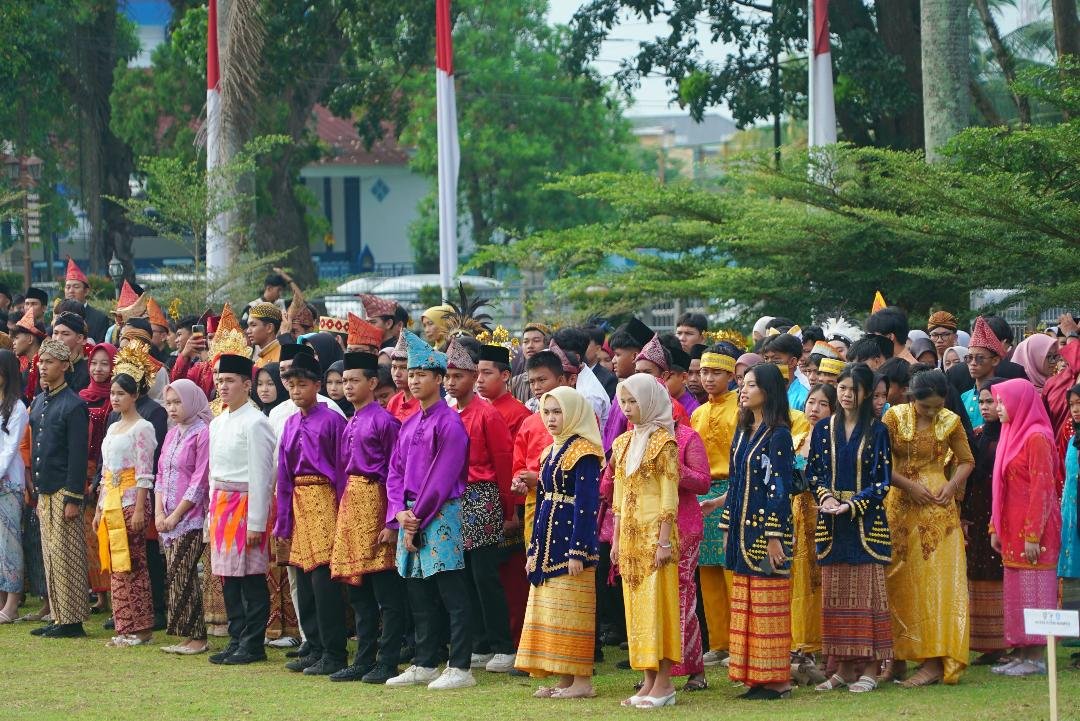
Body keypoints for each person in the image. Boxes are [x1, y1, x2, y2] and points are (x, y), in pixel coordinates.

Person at [384, 333, 475, 690]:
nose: (415, 378)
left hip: (440, 514)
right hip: (410, 515)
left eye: (423, 373)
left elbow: (442, 477)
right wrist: (398, 512)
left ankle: (461, 666)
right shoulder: (408, 424)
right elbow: (394, 472)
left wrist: (413, 517)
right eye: (411, 372)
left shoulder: (449, 423)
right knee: (418, 593)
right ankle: (424, 662)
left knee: (451, 592)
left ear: (440, 379)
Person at [881, 369, 974, 686]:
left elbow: (966, 460)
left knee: (935, 583)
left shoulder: (951, 420)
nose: (933, 413)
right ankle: (896, 658)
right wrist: (908, 486)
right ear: (912, 398)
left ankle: (934, 661)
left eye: (937, 407)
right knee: (897, 579)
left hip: (938, 510)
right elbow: (880, 462)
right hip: (900, 506)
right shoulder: (893, 418)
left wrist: (951, 485)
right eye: (926, 408)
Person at [807, 364, 893, 694]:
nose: (845, 394)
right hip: (831, 523)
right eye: (841, 388)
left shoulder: (878, 431)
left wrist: (852, 505)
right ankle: (842, 669)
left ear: (866, 393)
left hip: (865, 524)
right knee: (835, 596)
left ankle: (870, 668)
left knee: (866, 596)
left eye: (853, 389)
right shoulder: (823, 429)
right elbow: (813, 473)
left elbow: (883, 481)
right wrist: (826, 498)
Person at [514, 386, 603, 699]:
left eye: (558, 412)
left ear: (574, 413)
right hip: (548, 544)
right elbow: (541, 501)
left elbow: (587, 504)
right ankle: (564, 680)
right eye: (547, 412)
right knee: (554, 612)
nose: (551, 419)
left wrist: (579, 549)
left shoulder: (586, 452)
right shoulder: (550, 451)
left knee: (573, 612)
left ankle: (582, 682)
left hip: (571, 546)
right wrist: (534, 550)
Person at [717, 363, 794, 700]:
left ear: (768, 391)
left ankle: (778, 680)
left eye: (750, 385)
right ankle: (755, 676)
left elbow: (781, 488)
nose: (743, 390)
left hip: (766, 532)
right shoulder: (744, 430)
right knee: (747, 601)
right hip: (742, 529)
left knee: (768, 603)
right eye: (742, 384)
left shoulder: (779, 434)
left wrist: (776, 535)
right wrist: (725, 522)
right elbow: (737, 481)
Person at [329, 351, 407, 684]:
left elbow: (396, 472)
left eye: (353, 380)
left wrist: (391, 522)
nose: (347, 386)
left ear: (373, 383)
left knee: (386, 591)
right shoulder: (351, 420)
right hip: (352, 507)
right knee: (358, 592)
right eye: (344, 381)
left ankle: (387, 660)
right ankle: (363, 658)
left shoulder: (385, 421)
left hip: (377, 505)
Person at [443, 338, 517, 674]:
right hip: (455, 499)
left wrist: (508, 508)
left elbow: (503, 462)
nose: (451, 382)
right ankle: (478, 642)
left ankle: (502, 644)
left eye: (458, 376)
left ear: (473, 378)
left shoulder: (487, 414)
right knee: (462, 575)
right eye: (448, 377)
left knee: (484, 574)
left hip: (483, 497)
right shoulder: (448, 413)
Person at [274, 351, 349, 676]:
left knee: (323, 582)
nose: (295, 391)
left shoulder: (332, 420)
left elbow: (343, 469)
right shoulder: (290, 423)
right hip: (298, 505)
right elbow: (283, 475)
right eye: (291, 385)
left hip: (325, 501)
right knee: (303, 582)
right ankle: (314, 646)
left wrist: (343, 511)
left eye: (301, 384)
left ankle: (334, 652)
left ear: (317, 385)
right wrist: (283, 521)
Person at [610, 373, 681, 709]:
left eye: (634, 401)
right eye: (624, 401)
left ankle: (664, 682)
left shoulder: (664, 443)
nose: (627, 408)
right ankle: (648, 679)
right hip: (631, 538)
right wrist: (616, 538)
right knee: (636, 607)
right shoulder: (622, 443)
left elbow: (670, 496)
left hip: (656, 536)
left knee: (660, 605)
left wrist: (665, 541)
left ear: (650, 401)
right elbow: (619, 495)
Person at [988, 379, 1062, 676]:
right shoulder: (1011, 433)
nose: (998, 408)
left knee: (1036, 591)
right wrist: (995, 526)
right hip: (1011, 524)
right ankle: (1022, 652)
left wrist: (1033, 534)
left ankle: (1037, 657)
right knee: (1018, 591)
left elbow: (1043, 489)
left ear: (1020, 402)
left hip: (1036, 528)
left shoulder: (1036, 437)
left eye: (1003, 401)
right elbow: (1001, 485)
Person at [207, 353, 277, 665]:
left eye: (230, 381)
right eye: (220, 380)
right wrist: (211, 513)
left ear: (247, 385)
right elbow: (213, 473)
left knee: (250, 578)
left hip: (247, 505)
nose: (223, 386)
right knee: (228, 578)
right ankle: (236, 638)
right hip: (221, 505)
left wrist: (257, 523)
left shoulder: (256, 422)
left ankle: (253, 643)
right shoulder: (218, 422)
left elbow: (263, 476)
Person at [94, 343, 158, 647]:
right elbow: (107, 472)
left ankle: (142, 627)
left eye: (121, 394)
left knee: (134, 563)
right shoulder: (112, 428)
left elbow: (146, 472)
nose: (115, 398)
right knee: (116, 566)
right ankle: (124, 626)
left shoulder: (143, 428)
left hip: (132, 500)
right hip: (111, 501)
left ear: (134, 396)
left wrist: (140, 509)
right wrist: (98, 508)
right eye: (113, 394)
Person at [28, 339, 90, 639]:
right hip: (45, 490)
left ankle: (72, 620)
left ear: (65, 366)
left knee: (67, 555)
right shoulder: (39, 402)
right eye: (41, 362)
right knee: (50, 555)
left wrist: (73, 497)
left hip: (64, 491)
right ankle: (57, 614)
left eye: (49, 362)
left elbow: (77, 456)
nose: (43, 367)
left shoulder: (75, 405)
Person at [690, 347, 741, 666]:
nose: (708, 378)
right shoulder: (698, 413)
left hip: (731, 489)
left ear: (732, 376)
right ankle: (719, 641)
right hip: (703, 494)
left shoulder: (740, 409)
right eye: (704, 372)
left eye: (716, 373)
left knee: (731, 570)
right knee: (706, 571)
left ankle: (738, 640)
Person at [156, 380, 211, 655]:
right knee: (175, 575)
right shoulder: (171, 434)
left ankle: (199, 637)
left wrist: (176, 516)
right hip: (166, 518)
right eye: (169, 403)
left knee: (185, 574)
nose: (173, 408)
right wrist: (158, 512)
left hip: (190, 518)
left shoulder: (203, 434)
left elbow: (199, 482)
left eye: (178, 402)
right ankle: (187, 635)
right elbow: (160, 476)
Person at [961, 379, 1008, 664]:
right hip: (979, 514)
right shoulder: (981, 435)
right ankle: (986, 644)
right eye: (982, 402)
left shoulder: (1010, 436)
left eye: (992, 401)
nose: (986, 407)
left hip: (999, 513)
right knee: (979, 571)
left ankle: (1002, 642)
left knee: (997, 572)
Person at [790, 383, 836, 675]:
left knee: (821, 579)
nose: (814, 409)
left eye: (822, 404)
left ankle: (821, 646)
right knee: (798, 580)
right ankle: (799, 644)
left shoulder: (833, 441)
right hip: (797, 517)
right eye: (810, 402)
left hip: (823, 515)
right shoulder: (796, 438)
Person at [81, 343, 116, 611]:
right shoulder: (82, 396)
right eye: (94, 363)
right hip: (83, 469)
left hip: (107, 471)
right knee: (88, 535)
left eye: (105, 363)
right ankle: (98, 594)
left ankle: (111, 595)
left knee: (104, 531)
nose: (98, 369)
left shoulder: (115, 398)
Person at [0, 350, 28, 623]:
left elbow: (10, 449)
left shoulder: (17, 408)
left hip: (8, 484)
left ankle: (12, 603)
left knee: (10, 544)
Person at [1059, 384, 1080, 631]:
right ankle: (1075, 631)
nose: (1076, 409)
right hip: (1072, 514)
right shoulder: (1074, 438)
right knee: (1074, 568)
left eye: (1079, 403)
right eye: (1072, 404)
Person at [961, 316, 1005, 430]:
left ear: (995, 360)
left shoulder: (1003, 396)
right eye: (969, 358)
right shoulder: (964, 397)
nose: (973, 363)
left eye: (980, 358)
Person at [64, 258, 110, 343]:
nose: (71, 291)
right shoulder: (59, 316)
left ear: (86, 291)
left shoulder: (99, 318)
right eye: (68, 287)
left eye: (76, 287)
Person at [762, 333, 808, 411]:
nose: (768, 365)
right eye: (766, 359)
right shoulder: (761, 393)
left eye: (776, 359)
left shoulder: (803, 398)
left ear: (792, 362)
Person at [510, 322, 551, 404]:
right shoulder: (516, 382)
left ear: (547, 344)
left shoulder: (555, 376)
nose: (530, 346)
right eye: (526, 342)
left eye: (536, 341)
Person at [51, 312, 91, 392]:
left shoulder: (88, 372)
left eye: (65, 334)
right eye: (55, 333)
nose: (58, 339)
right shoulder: (47, 366)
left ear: (80, 338)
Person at [386, 332, 421, 421]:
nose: (397, 374)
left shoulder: (424, 403)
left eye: (403, 368)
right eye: (394, 367)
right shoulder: (394, 401)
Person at [248, 302, 284, 368]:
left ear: (269, 328)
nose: (248, 331)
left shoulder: (283, 356)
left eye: (253, 325)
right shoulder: (257, 363)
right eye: (248, 326)